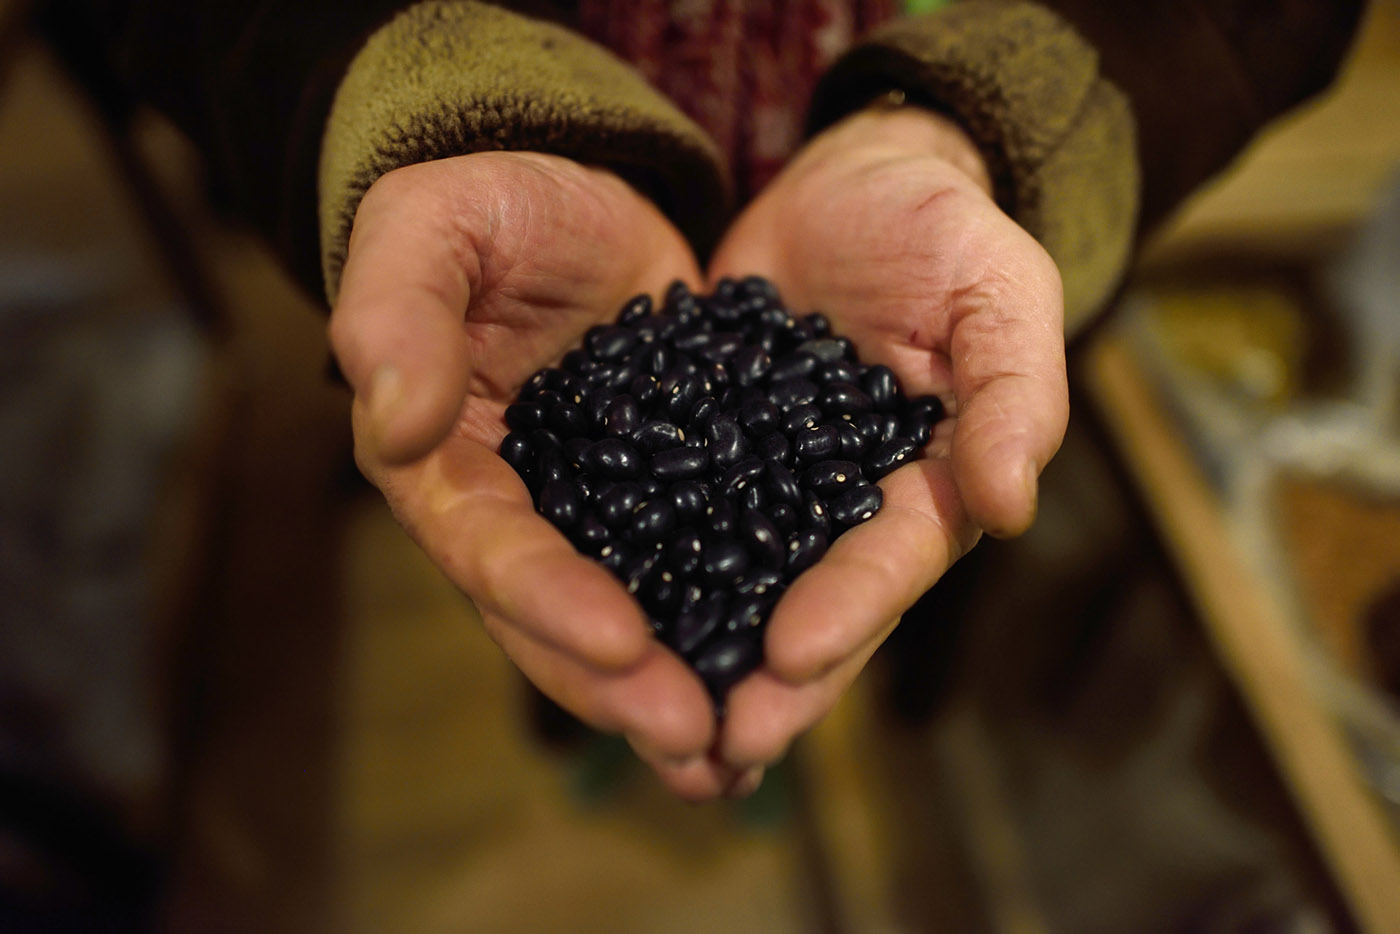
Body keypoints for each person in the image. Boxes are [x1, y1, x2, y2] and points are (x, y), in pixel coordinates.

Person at [32, 0, 1366, 802]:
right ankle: (602, 730)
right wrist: (396, 85)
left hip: (927, 291)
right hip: (534, 263)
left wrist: (1021, 116)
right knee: (584, 612)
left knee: (905, 560)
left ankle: (844, 719)